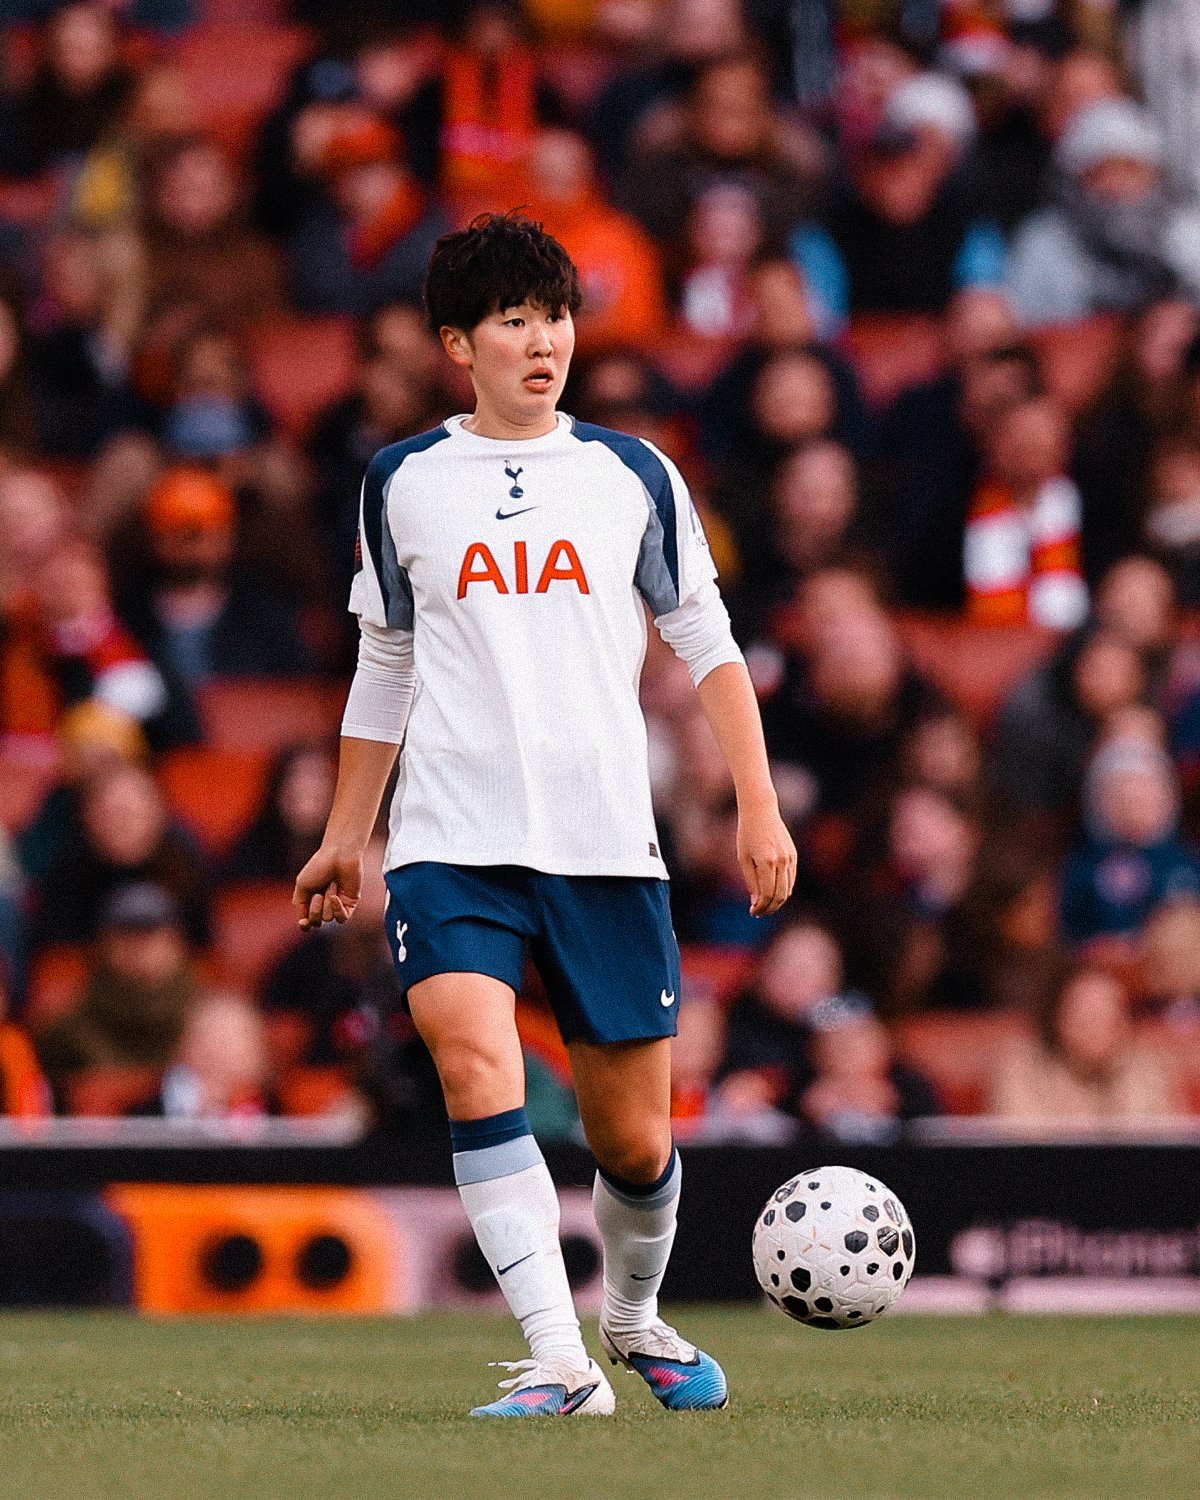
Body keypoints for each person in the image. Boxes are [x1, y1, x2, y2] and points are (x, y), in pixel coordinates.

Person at [293, 212, 796, 1416]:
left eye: (556, 315)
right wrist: (347, 834)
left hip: (602, 838)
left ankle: (630, 1320)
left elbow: (710, 647)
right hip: (451, 839)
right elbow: (386, 662)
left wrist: (759, 809)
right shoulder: (402, 482)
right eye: (513, 320)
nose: (543, 340)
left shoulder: (631, 473)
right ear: (457, 343)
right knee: (474, 1061)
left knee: (632, 1141)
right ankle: (562, 1363)